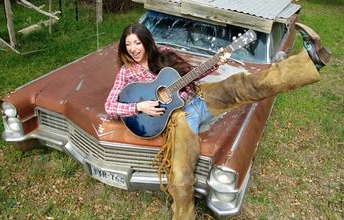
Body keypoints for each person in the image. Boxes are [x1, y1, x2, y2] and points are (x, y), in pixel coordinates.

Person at [105, 23, 330, 219]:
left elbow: (191, 74)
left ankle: (310, 62)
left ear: (146, 41)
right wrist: (138, 106)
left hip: (200, 97)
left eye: (137, 43)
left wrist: (217, 62)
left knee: (245, 85)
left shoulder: (163, 54)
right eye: (128, 45)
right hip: (179, 119)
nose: (133, 49)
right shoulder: (127, 73)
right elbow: (110, 106)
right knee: (180, 175)